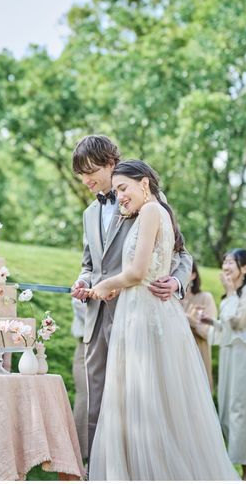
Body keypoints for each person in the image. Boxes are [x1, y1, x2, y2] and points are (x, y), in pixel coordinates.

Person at [87, 159, 238, 480]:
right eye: (116, 191)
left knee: (148, 400)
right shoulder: (150, 212)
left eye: (123, 188)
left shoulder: (151, 211)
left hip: (145, 314)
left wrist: (106, 285)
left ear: (144, 183)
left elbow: (138, 271)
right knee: (142, 401)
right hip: (136, 309)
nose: (120, 196)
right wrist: (114, 287)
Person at [70, 135, 192, 453]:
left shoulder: (144, 197)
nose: (85, 180)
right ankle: (91, 466)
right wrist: (83, 282)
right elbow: (89, 264)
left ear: (110, 163)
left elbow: (180, 252)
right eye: (81, 174)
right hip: (96, 316)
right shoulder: (88, 214)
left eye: (89, 171)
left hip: (137, 313)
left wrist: (176, 282)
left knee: (137, 396)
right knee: (93, 395)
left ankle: (136, 462)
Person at [201, 248, 246, 481]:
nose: (225, 266)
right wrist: (210, 322)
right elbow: (227, 326)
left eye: (231, 262)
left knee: (242, 409)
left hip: (244, 355)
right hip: (228, 353)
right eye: (224, 261)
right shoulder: (231, 295)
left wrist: (230, 291)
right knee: (226, 409)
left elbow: (239, 323)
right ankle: (237, 468)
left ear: (244, 268)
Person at [182, 260, 217, 390]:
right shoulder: (170, 300)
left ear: (193, 275)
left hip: (198, 355)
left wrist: (191, 322)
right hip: (176, 356)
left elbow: (208, 332)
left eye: (183, 270)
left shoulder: (205, 298)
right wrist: (188, 318)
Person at [70, 296, 88, 460]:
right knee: (85, 396)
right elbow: (78, 301)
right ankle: (78, 456)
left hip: (112, 343)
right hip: (86, 343)